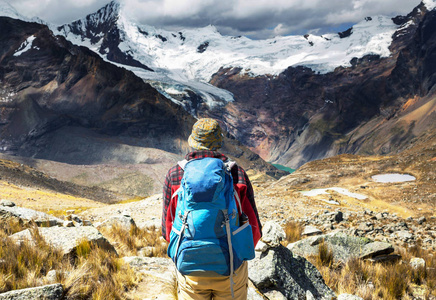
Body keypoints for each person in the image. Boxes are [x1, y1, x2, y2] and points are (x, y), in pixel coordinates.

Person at [162, 118, 262, 300]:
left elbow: (168, 230)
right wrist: (238, 254)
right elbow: (254, 228)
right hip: (231, 268)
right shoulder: (235, 173)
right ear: (218, 142)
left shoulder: (175, 174)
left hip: (191, 269)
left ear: (193, 142)